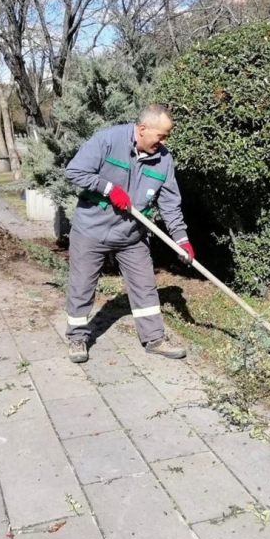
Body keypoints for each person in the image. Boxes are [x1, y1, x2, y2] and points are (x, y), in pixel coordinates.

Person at [63, 104, 194, 364]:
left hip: (132, 234)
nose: (164, 141)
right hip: (91, 229)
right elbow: (74, 171)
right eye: (162, 135)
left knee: (145, 285)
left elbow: (169, 203)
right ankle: (77, 336)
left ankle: (154, 338)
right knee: (82, 285)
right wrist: (109, 187)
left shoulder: (163, 159)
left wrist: (182, 239)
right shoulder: (107, 141)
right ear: (143, 129)